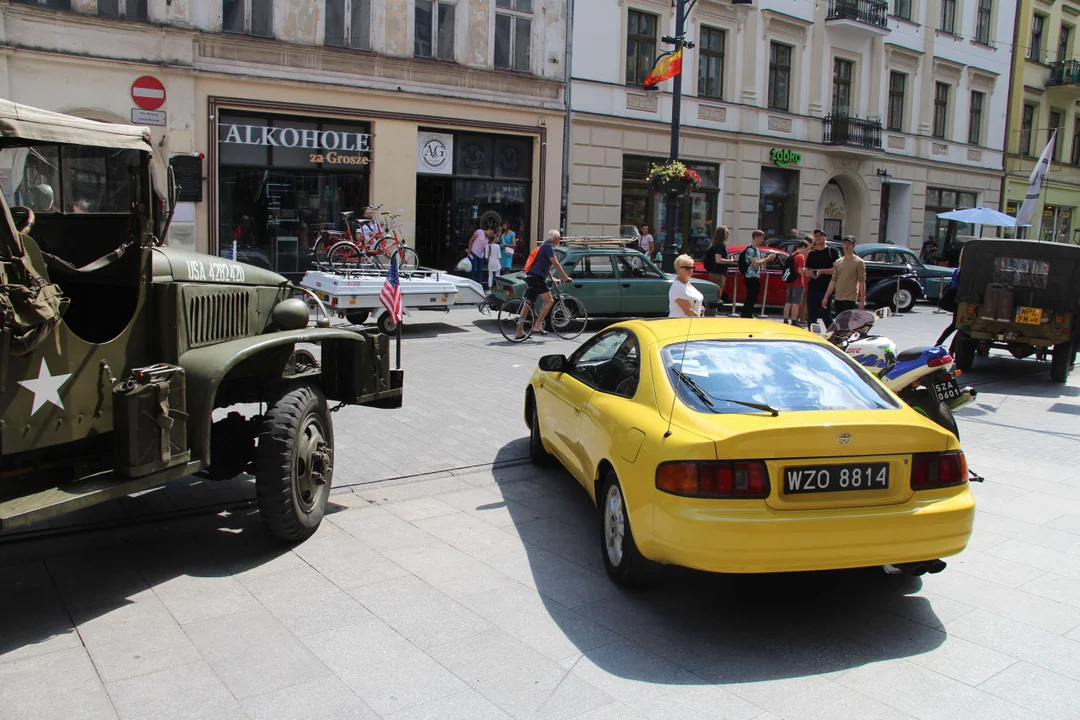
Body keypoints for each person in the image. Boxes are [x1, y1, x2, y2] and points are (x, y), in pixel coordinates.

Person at [518, 230, 573, 338]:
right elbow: (555, 263)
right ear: (556, 239)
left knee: (528, 303)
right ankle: (537, 325)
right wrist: (565, 277)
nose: (559, 240)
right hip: (537, 278)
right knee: (549, 301)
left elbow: (543, 263)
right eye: (559, 238)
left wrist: (552, 277)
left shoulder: (544, 245)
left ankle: (519, 332)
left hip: (532, 276)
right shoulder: (549, 247)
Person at [823, 235, 867, 314]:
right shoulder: (838, 262)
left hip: (850, 297)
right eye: (845, 243)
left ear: (853, 246)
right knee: (839, 322)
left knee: (846, 321)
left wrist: (862, 300)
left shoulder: (859, 262)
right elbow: (833, 281)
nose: (847, 246)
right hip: (838, 297)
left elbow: (862, 281)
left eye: (849, 244)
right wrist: (826, 296)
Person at [805, 229, 839, 326]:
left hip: (826, 288)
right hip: (812, 288)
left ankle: (834, 337)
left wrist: (822, 271)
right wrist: (810, 273)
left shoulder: (832, 251)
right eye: (816, 236)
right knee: (811, 316)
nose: (818, 237)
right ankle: (812, 337)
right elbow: (806, 270)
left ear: (825, 238)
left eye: (820, 235)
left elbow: (836, 269)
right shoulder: (812, 253)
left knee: (825, 315)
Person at [740, 230, 772, 319]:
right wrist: (767, 259)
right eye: (761, 238)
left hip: (755, 276)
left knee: (753, 297)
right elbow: (755, 263)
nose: (762, 240)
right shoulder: (750, 250)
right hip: (750, 276)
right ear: (756, 238)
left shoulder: (757, 250)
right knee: (750, 296)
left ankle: (748, 314)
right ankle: (746, 315)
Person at [703, 226, 735, 311]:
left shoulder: (717, 245)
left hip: (716, 273)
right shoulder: (720, 246)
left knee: (716, 293)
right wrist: (730, 261)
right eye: (727, 232)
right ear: (722, 234)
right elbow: (718, 260)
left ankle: (713, 311)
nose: (729, 234)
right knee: (717, 294)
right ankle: (712, 311)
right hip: (718, 273)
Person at [783, 237, 811, 326]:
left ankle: (785, 319)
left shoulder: (792, 255)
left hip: (790, 282)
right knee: (796, 303)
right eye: (807, 249)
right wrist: (805, 270)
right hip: (798, 283)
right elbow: (800, 271)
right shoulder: (800, 256)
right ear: (802, 247)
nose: (807, 251)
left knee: (788, 302)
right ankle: (794, 321)